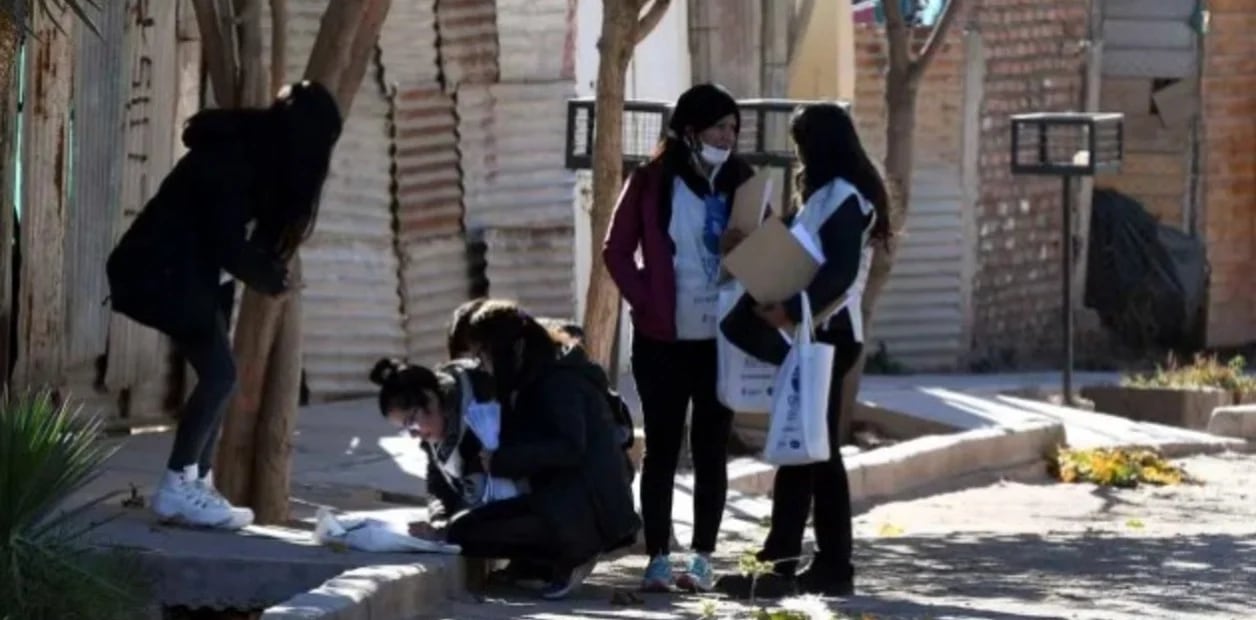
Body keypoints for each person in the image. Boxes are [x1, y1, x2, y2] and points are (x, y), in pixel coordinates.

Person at [105, 81, 342, 530]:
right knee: (220, 375)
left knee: (220, 377)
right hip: (156, 274)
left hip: (185, 277)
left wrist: (264, 271)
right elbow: (225, 242)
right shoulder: (230, 158)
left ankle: (195, 481)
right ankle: (178, 485)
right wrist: (271, 278)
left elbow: (228, 250)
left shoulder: (254, 159)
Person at [716, 102, 891, 599]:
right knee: (812, 450)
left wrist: (792, 310)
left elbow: (836, 272)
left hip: (825, 335)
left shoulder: (842, 197)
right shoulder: (827, 196)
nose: (799, 155)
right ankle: (821, 564)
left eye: (802, 145)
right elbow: (800, 253)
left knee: (804, 448)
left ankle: (783, 566)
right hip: (816, 333)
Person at [602, 82, 755, 592]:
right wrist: (644, 300)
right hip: (662, 338)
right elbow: (616, 250)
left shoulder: (744, 182)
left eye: (733, 129)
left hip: (721, 339)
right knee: (663, 447)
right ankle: (659, 558)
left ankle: (703, 558)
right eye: (719, 127)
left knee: (711, 446)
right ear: (690, 131)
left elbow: (768, 247)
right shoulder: (650, 181)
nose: (728, 138)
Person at [456, 299, 641, 600]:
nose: (482, 364)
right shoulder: (535, 377)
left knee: (471, 534)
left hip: (582, 510)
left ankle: (573, 554)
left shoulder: (558, 382)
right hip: (560, 501)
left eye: (483, 354)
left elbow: (569, 447)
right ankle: (538, 564)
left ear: (506, 349)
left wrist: (503, 461)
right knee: (462, 529)